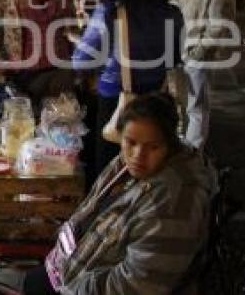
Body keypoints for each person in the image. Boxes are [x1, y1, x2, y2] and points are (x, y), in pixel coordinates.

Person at [24, 93, 216, 295]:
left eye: (153, 147)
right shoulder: (126, 166)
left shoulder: (173, 205)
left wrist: (74, 289)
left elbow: (138, 285)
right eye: (131, 142)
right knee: (31, 282)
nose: (138, 155)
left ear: (170, 146)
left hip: (90, 287)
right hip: (75, 270)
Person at [73, 0, 184, 185]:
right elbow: (174, 60)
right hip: (157, 103)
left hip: (117, 103)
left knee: (109, 174)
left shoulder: (110, 13)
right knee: (149, 173)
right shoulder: (173, 15)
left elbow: (81, 60)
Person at [167, 0, 237, 149]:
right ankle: (180, 144)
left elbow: (220, 23)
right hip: (175, 49)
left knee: (196, 105)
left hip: (199, 52)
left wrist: (201, 49)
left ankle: (194, 152)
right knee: (177, 100)